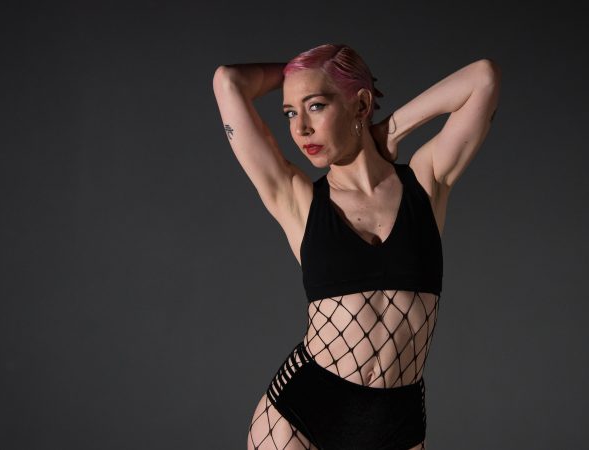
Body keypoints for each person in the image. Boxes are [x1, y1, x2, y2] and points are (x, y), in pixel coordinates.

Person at [212, 43, 500, 450]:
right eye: (290, 113)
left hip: (398, 420)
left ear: (361, 105)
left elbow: (483, 78)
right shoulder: (298, 199)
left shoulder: (426, 182)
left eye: (315, 106)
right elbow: (228, 81)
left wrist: (392, 129)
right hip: (302, 416)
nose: (300, 129)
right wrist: (301, 73)